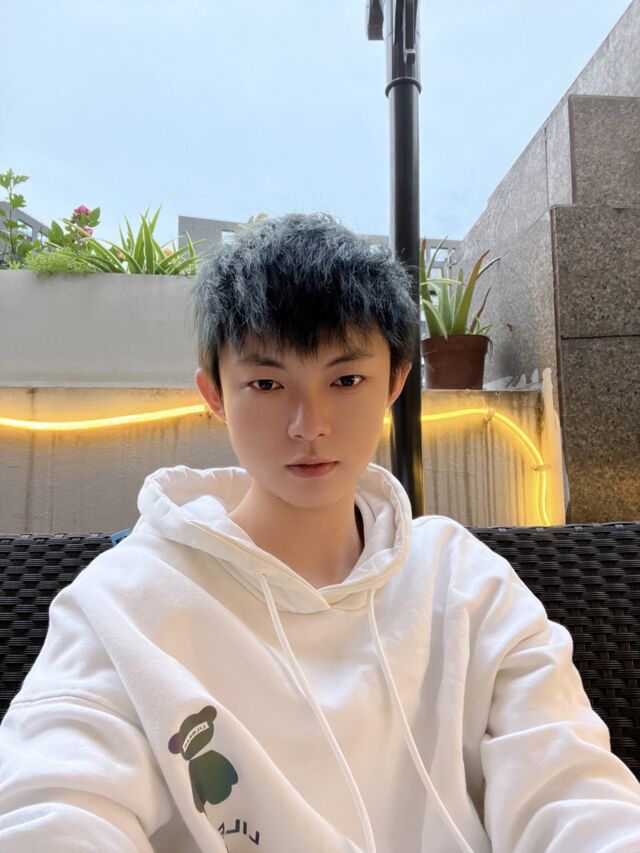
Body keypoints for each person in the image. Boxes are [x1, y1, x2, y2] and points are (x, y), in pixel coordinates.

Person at [0, 213, 639, 853]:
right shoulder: (124, 600)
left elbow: (572, 788)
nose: (310, 425)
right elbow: (54, 803)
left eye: (346, 380)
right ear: (215, 394)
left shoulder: (466, 582)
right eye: (267, 383)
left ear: (395, 382)